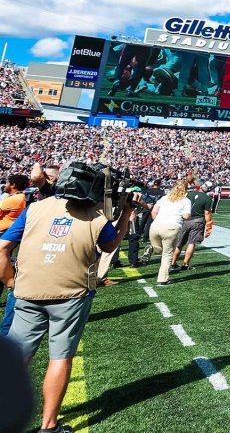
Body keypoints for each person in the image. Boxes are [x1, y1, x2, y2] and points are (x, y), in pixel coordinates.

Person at [0, 161, 135, 433]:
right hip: (71, 293)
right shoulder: (96, 217)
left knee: (17, 359)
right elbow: (110, 245)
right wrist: (125, 213)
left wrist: (10, 280)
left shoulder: (36, 207)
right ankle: (48, 426)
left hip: (28, 290)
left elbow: (3, 247)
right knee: (60, 357)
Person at [0, 174, 30, 335]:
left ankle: (7, 328)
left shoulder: (11, 200)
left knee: (8, 275)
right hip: (10, 235)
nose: (4, 184)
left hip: (4, 235)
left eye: (6, 182)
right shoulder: (20, 198)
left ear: (13, 184)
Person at [148, 180, 192, 286]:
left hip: (155, 226)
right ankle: (162, 279)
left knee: (158, 249)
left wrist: (158, 221)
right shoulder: (186, 200)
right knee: (167, 254)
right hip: (172, 227)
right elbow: (186, 216)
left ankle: (152, 248)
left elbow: (154, 211)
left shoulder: (164, 198)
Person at [175, 181, 215, 271]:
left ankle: (173, 263)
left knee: (179, 243)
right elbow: (207, 213)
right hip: (198, 221)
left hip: (185, 220)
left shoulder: (189, 194)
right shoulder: (207, 198)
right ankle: (185, 264)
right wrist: (209, 227)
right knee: (191, 243)